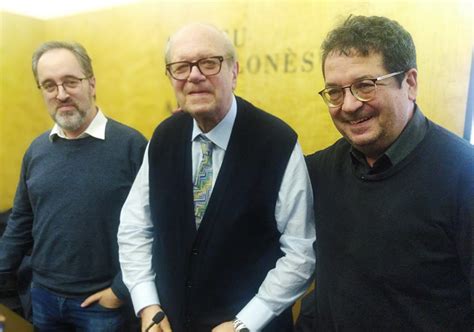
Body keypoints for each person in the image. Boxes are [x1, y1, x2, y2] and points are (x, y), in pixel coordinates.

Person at [118, 23, 316, 332]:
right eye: (181, 67)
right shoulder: (162, 138)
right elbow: (134, 227)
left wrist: (244, 324)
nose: (194, 76)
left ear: (234, 71)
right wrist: (147, 304)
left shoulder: (278, 142)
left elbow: (301, 253)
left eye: (209, 63)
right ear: (171, 78)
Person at [306, 15, 474, 331]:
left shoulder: (465, 176)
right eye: (334, 92)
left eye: (365, 86)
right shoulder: (319, 172)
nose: (349, 105)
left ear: (409, 83)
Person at [0, 41, 147, 331]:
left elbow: (153, 227)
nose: (62, 94)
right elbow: (20, 220)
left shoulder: (132, 146)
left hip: (102, 306)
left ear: (91, 83)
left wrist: (120, 291)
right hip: (42, 297)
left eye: (70, 82)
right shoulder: (36, 150)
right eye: (49, 85)